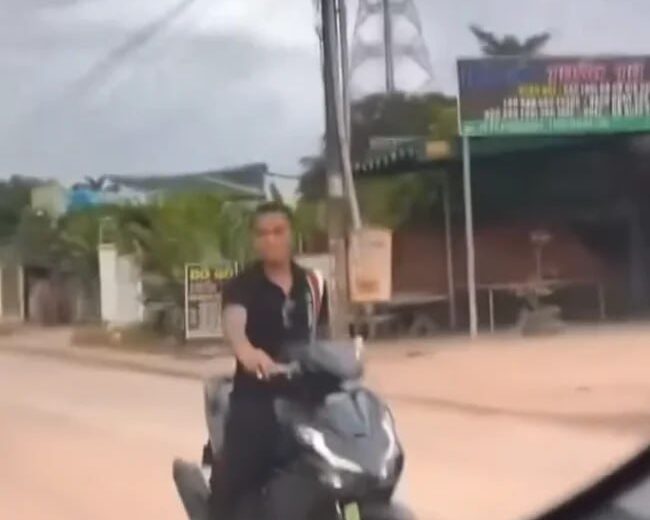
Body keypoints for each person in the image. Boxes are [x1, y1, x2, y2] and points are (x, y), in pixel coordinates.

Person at [210, 202, 328, 519]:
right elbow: (234, 325)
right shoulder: (242, 285)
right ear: (254, 240)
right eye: (263, 233)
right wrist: (247, 352)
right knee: (233, 483)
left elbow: (326, 338)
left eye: (278, 231)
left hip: (305, 397)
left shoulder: (313, 284)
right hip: (257, 395)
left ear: (292, 234)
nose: (271, 239)